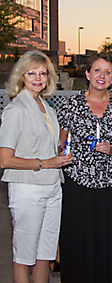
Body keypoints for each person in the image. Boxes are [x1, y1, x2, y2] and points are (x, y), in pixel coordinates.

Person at [57, 52, 112, 283]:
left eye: (108, 72)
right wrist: (62, 153)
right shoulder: (70, 105)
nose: (102, 75)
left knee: (106, 241)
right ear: (88, 73)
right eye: (97, 70)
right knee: (76, 239)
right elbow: (61, 144)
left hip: (111, 185)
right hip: (77, 184)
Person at [0, 50, 73, 283]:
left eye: (43, 73)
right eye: (31, 73)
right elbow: (5, 159)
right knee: (24, 256)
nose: (38, 78)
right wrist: (46, 162)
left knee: (45, 255)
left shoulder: (46, 107)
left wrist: (59, 151)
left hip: (53, 188)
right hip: (27, 189)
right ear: (21, 75)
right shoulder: (15, 110)